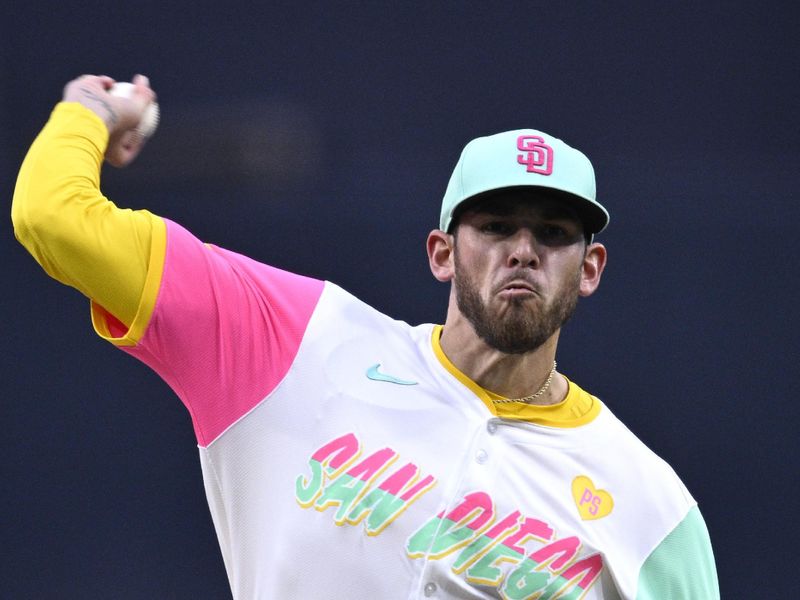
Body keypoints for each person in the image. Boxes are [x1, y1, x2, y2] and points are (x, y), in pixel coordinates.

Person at [12, 74, 719, 599]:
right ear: (442, 252)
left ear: (590, 267)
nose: (523, 250)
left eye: (555, 233)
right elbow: (52, 219)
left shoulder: (652, 510)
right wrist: (91, 112)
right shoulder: (297, 343)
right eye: (497, 225)